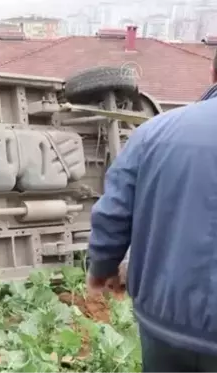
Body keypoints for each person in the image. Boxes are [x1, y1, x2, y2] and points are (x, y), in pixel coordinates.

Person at [86, 83, 217, 371]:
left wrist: (102, 268)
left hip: (163, 324)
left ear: (212, 72)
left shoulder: (154, 132)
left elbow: (113, 213)